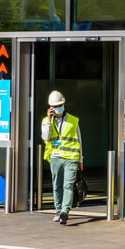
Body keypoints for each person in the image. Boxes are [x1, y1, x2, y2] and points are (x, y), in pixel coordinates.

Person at [40, 90, 82, 225]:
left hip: (71, 157)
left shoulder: (73, 121)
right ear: (50, 107)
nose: (57, 108)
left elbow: (79, 140)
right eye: (55, 106)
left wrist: (80, 159)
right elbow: (45, 137)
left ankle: (65, 210)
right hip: (55, 157)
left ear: (63, 104)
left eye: (59, 105)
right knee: (57, 185)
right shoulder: (46, 121)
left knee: (68, 185)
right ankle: (58, 210)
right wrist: (48, 120)